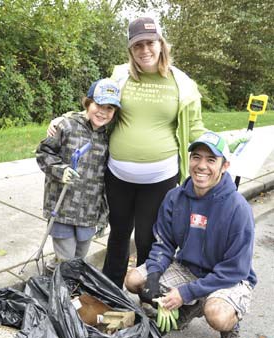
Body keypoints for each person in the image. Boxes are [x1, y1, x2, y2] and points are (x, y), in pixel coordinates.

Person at [47, 16, 208, 288]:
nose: (145, 50)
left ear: (161, 44)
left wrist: (217, 149)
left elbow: (194, 128)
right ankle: (110, 290)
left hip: (160, 178)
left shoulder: (182, 83)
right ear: (130, 50)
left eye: (150, 43)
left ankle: (145, 293)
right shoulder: (120, 76)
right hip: (118, 175)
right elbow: (99, 106)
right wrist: (64, 119)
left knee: (148, 237)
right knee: (119, 234)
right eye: (137, 45)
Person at [124, 131, 257, 338]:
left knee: (217, 315)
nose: (201, 166)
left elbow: (235, 270)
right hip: (189, 268)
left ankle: (229, 328)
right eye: (196, 157)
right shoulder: (175, 197)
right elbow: (164, 243)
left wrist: (185, 292)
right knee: (134, 280)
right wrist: (154, 275)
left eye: (211, 160)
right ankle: (192, 305)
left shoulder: (238, 209)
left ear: (224, 166)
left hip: (229, 278)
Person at [36, 78, 121, 271]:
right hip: (63, 206)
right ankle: (62, 288)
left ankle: (56, 271)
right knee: (67, 260)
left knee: (79, 257)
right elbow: (43, 153)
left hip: (89, 211)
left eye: (110, 108)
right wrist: (60, 170)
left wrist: (103, 213)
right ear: (88, 102)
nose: (103, 112)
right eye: (99, 105)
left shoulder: (109, 136)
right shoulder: (66, 126)